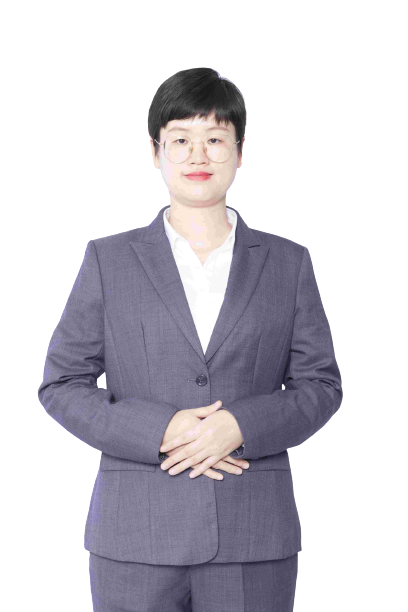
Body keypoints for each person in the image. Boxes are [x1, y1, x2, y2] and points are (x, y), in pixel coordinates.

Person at [38, 67, 342, 611]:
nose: (198, 155)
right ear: (155, 152)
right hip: (134, 535)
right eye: (181, 140)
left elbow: (321, 386)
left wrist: (242, 425)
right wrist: (161, 429)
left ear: (240, 152)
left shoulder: (289, 262)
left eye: (215, 139)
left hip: (253, 534)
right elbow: (61, 385)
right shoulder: (108, 259)